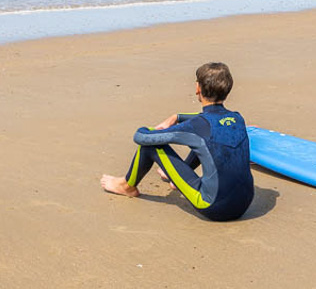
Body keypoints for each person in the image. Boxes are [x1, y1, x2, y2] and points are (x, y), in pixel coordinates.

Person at [100, 61, 255, 222]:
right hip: (244, 204)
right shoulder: (237, 118)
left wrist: (149, 129)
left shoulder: (197, 126)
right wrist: (177, 117)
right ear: (227, 89)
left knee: (150, 147)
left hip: (214, 207)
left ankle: (127, 186)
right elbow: (210, 119)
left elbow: (141, 138)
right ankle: (177, 179)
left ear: (197, 88)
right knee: (209, 143)